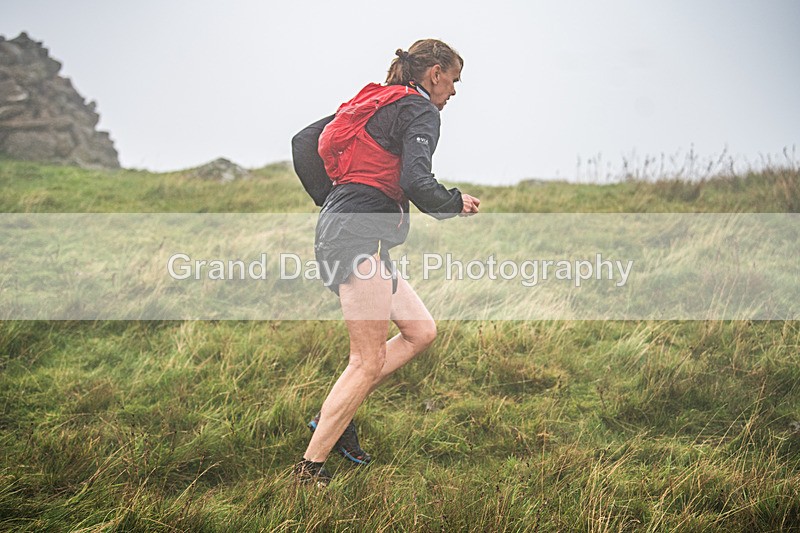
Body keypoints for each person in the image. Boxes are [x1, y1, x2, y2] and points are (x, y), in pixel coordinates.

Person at [291, 39, 480, 486]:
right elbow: (416, 179)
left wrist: (335, 200)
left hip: (353, 228)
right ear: (434, 73)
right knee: (367, 360)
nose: (453, 91)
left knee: (420, 330)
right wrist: (455, 203)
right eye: (453, 80)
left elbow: (304, 142)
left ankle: (334, 419)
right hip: (359, 232)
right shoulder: (419, 110)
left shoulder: (374, 99)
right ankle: (308, 470)